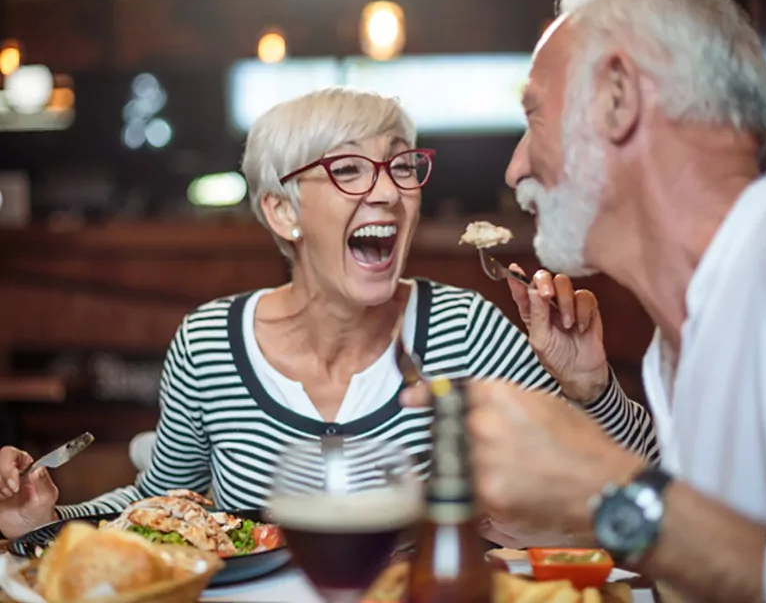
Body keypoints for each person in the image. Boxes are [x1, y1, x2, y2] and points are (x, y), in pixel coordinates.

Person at [0, 87, 657, 540]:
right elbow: (157, 506)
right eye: (347, 170)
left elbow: (638, 489)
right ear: (283, 212)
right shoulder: (208, 346)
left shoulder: (463, 330)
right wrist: (46, 521)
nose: (387, 191)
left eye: (401, 168)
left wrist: (591, 389)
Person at [405, 0, 766, 601]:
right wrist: (595, 400)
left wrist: (601, 484)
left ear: (618, 98)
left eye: (534, 115)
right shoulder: (684, 334)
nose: (515, 167)